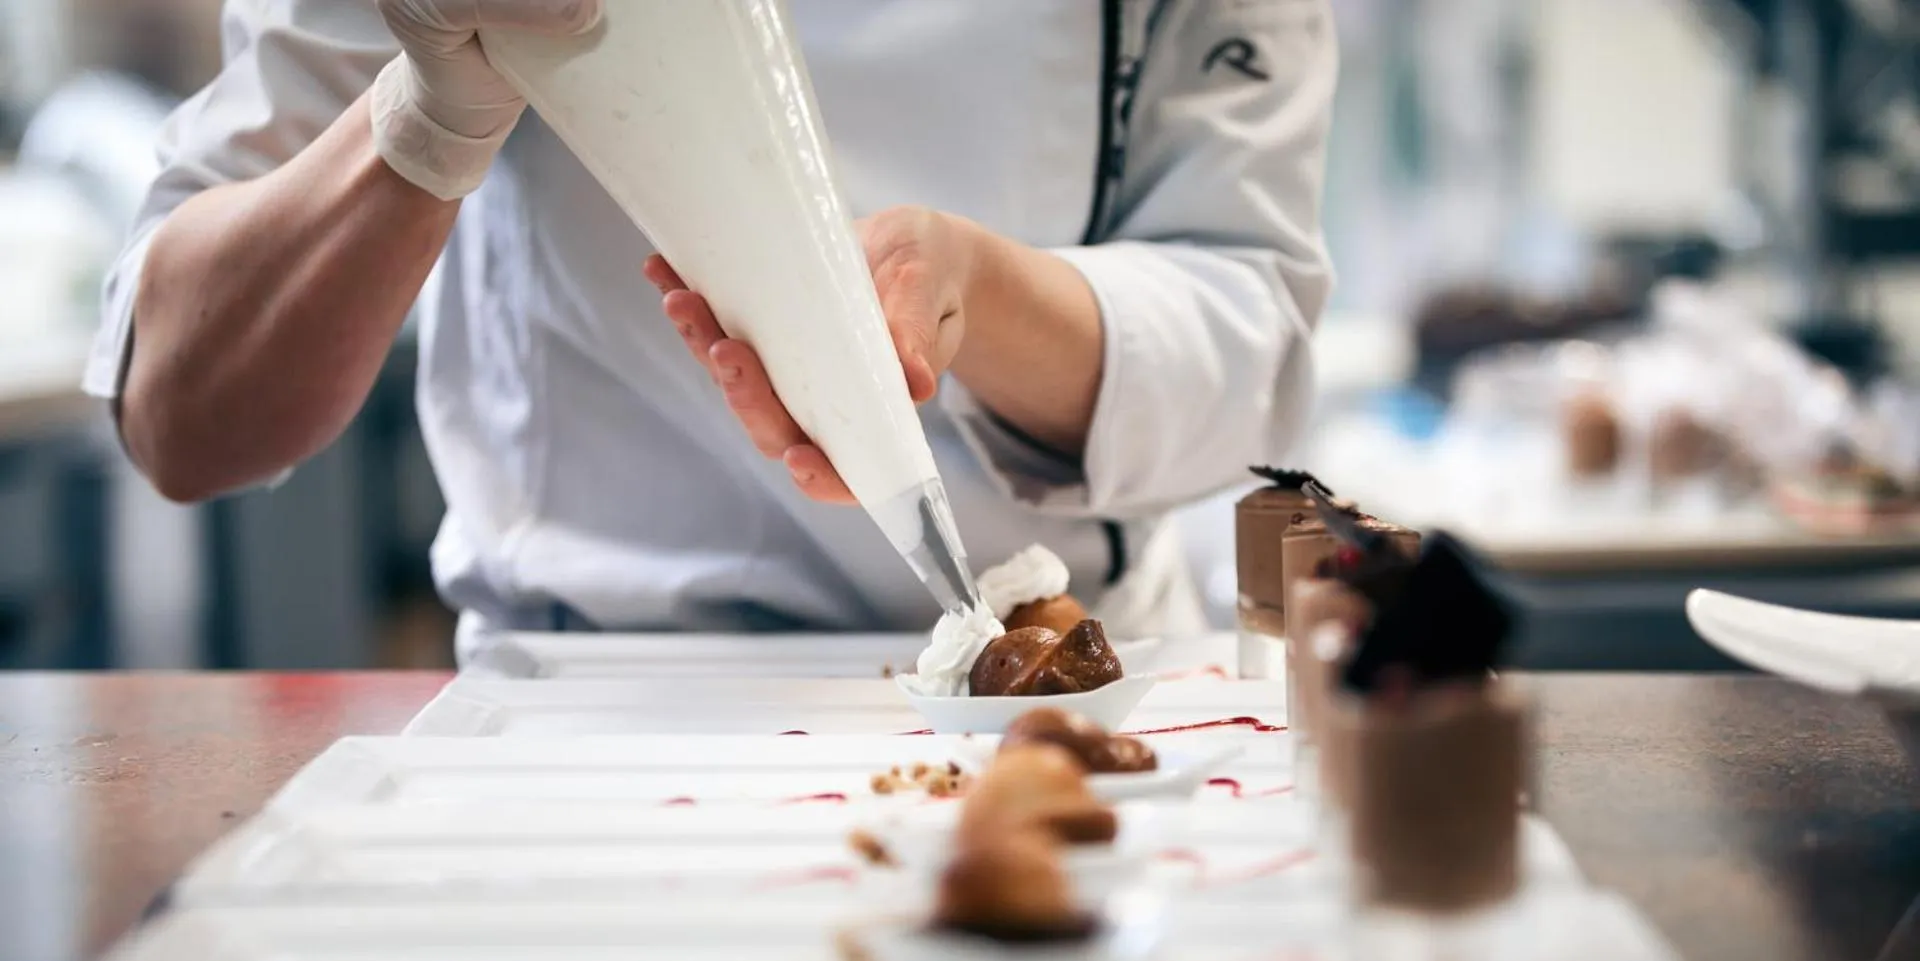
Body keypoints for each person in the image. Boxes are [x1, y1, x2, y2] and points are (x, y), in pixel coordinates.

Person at [87, 0, 1335, 662]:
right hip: (588, 725)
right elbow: (184, 417)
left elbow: (1256, 354)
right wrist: (426, 116)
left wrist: (976, 298)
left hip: (1055, 686)